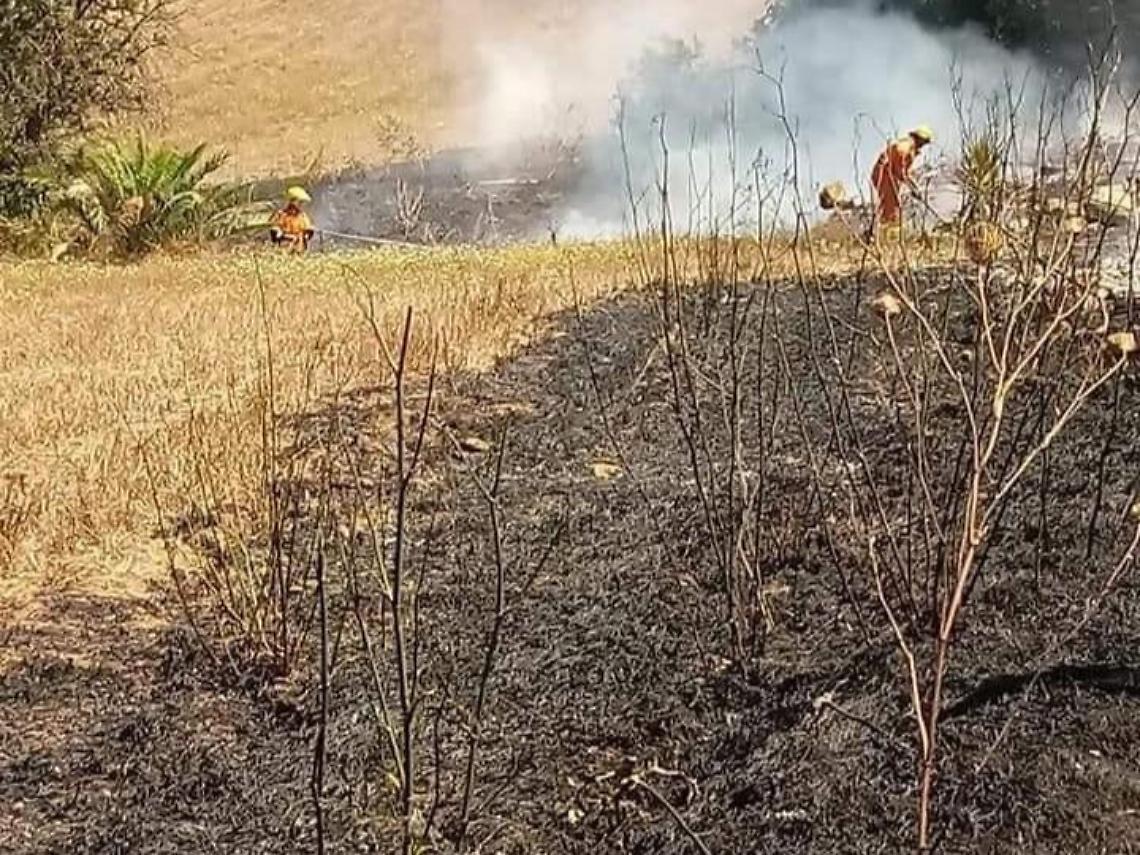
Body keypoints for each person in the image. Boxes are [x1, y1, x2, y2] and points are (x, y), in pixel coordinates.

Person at [870, 126, 933, 229]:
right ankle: (886, 233)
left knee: (893, 204)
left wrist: (914, 187)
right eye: (924, 142)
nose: (924, 145)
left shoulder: (910, 148)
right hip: (885, 175)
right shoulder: (906, 146)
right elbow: (900, 169)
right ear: (920, 138)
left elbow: (904, 173)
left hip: (888, 176)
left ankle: (883, 230)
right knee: (891, 207)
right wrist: (911, 186)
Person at [270, 186, 315, 251]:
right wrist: (286, 236)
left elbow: (308, 229)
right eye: (300, 202)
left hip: (300, 248)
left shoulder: (302, 215)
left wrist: (308, 233)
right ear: (292, 201)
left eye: (302, 202)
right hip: (285, 249)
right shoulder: (281, 214)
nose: (301, 204)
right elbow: (274, 231)